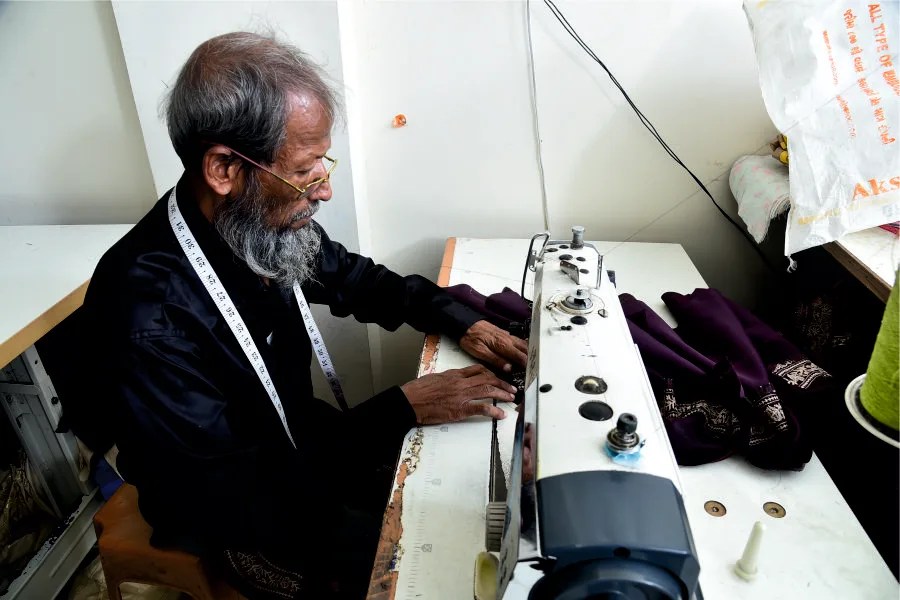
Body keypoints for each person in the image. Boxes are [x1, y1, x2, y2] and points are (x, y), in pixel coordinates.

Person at [77, 31, 527, 599]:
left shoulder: (255, 225)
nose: (326, 190)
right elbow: (233, 492)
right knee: (432, 570)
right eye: (307, 169)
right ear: (224, 169)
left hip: (299, 442)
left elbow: (357, 280)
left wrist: (461, 319)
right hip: (231, 510)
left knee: (470, 488)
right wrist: (399, 408)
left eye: (323, 162)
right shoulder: (146, 313)